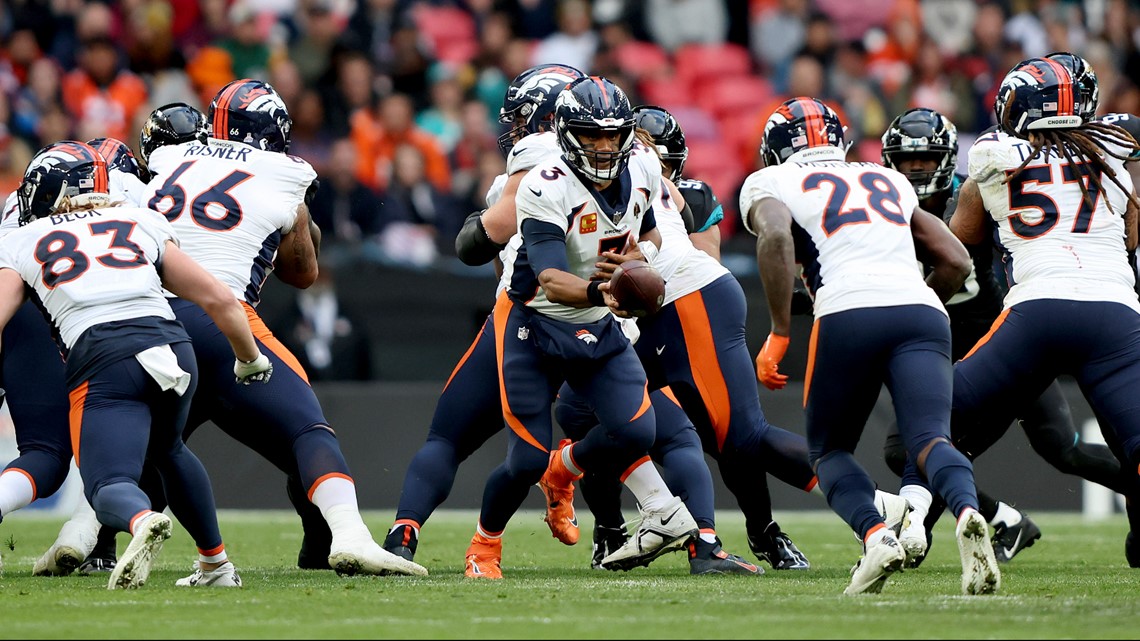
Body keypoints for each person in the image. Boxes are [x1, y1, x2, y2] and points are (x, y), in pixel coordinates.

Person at [137, 78, 426, 578]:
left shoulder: (169, 159)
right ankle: (349, 536)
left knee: (144, 450)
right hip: (222, 322)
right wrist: (303, 218)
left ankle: (90, 539)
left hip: (145, 320)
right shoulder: (286, 172)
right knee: (307, 432)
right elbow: (303, 273)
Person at [741, 96, 1000, 595]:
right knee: (929, 442)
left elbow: (774, 237)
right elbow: (955, 260)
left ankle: (876, 536)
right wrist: (919, 303)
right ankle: (967, 510)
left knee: (830, 451)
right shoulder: (886, 178)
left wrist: (777, 330)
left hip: (847, 309)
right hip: (920, 311)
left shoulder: (772, 181)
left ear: (774, 147)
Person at [0, 140, 272, 588]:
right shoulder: (138, 219)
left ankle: (143, 519)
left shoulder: (22, 238)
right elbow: (219, 298)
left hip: (105, 355)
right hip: (173, 346)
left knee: (106, 484)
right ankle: (216, 565)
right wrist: (249, 358)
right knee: (170, 450)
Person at [464, 76, 699, 579]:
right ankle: (484, 544)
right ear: (568, 133)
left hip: (596, 322)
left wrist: (640, 260)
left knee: (638, 430)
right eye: (592, 135)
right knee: (524, 457)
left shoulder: (640, 167)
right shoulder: (544, 184)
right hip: (535, 321)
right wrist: (608, 292)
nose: (604, 146)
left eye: (614, 135)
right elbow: (549, 278)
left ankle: (563, 467)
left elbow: (653, 235)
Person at [878, 105, 1129, 566]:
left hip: (1005, 343)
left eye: (928, 161)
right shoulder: (877, 208)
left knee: (932, 443)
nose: (917, 171)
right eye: (909, 161)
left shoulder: (978, 191)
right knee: (1057, 449)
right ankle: (999, 520)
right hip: (975, 349)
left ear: (949, 159)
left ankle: (972, 521)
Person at [382, 64, 587, 564]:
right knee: (632, 431)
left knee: (451, 436)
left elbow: (486, 243)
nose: (515, 129)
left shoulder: (537, 155)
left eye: (523, 118)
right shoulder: (627, 156)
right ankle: (637, 520)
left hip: (529, 316)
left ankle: (405, 533)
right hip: (600, 316)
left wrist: (478, 226)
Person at [948, 58, 1140, 570]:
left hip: (1036, 312)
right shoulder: (1113, 154)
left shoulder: (992, 156)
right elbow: (1130, 238)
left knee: (933, 417)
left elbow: (957, 242)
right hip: (1114, 313)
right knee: (1135, 441)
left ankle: (928, 515)